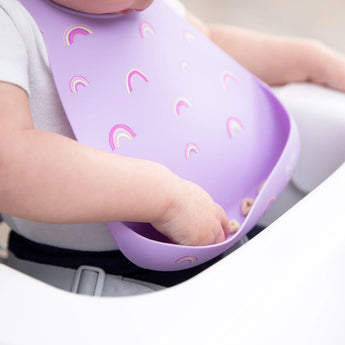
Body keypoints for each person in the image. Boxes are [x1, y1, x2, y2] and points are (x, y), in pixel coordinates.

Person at [0, 0, 344, 292]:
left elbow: (205, 44)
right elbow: (10, 160)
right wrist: (163, 198)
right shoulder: (10, 23)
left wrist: (310, 61)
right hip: (101, 282)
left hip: (221, 230)